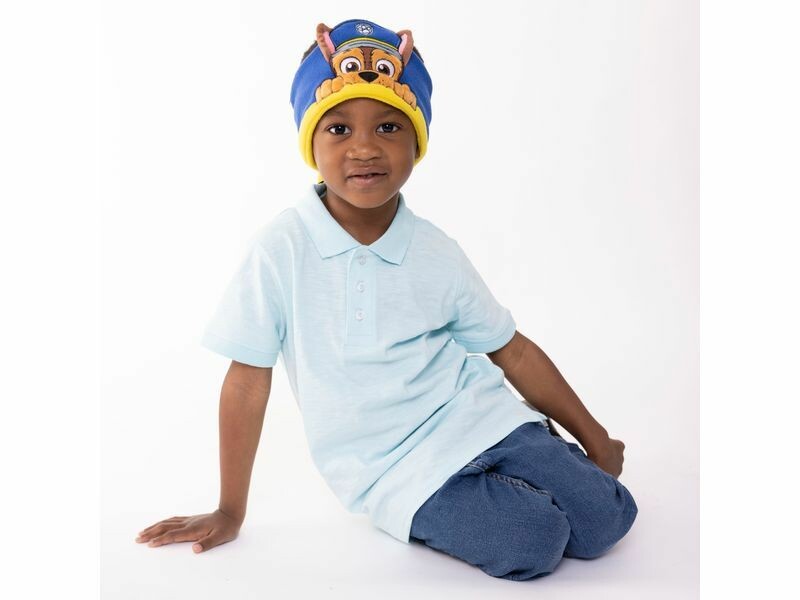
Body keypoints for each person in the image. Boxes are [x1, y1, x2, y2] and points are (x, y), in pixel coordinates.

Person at [134, 18, 638, 581]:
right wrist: (231, 510)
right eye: (339, 128)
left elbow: (511, 350)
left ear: (417, 144)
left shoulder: (435, 250)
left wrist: (596, 439)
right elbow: (248, 380)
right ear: (310, 143)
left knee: (610, 519)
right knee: (535, 542)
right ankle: (515, 491)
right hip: (393, 469)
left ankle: (534, 463)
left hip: (481, 418)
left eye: (390, 126)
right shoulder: (281, 249)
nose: (365, 148)